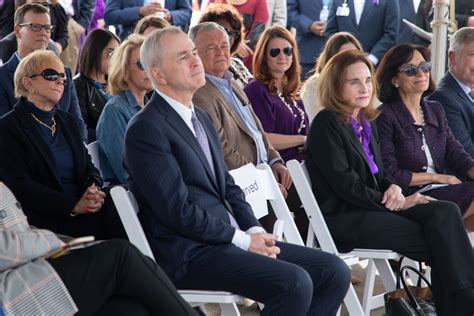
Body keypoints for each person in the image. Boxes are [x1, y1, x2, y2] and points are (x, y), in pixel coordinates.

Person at [123, 26, 351, 315]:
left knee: (333, 271)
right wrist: (244, 239)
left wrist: (255, 230)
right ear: (158, 74)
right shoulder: (146, 129)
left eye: (194, 53)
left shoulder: (200, 117)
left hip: (227, 241)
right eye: (183, 57)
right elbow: (177, 212)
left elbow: (228, 186)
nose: (195, 61)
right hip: (191, 253)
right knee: (294, 283)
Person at [306, 49, 474, 315]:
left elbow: (381, 174)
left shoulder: (362, 119)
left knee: (445, 212)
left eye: (367, 80)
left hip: (374, 206)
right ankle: (463, 305)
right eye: (354, 82)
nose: (364, 87)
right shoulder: (328, 123)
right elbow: (347, 187)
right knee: (439, 238)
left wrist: (394, 188)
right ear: (336, 86)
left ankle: (460, 303)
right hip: (348, 218)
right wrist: (399, 201)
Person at [0, 181, 197, 316]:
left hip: (28, 270)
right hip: (10, 294)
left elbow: (20, 230)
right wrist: (51, 240)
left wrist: (71, 245)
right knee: (121, 256)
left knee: (131, 310)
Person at [0, 50, 124, 240]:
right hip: (46, 219)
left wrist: (93, 189)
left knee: (121, 202)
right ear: (27, 82)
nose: (60, 81)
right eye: (51, 75)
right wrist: (73, 206)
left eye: (63, 77)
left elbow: (89, 166)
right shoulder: (8, 127)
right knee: (120, 231)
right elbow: (19, 186)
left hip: (84, 207)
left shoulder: (67, 121)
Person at [190, 22, 293, 233]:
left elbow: (257, 130)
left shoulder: (234, 84)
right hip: (244, 188)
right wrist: (264, 180)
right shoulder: (199, 93)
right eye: (211, 47)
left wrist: (275, 161)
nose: (220, 52)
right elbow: (222, 150)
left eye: (224, 45)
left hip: (265, 178)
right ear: (194, 53)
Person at [376, 43, 474, 230]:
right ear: (394, 79)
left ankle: (452, 254)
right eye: (411, 70)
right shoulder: (385, 116)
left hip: (444, 191)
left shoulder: (434, 109)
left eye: (425, 67)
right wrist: (439, 178)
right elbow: (390, 172)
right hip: (410, 196)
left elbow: (456, 154)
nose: (421, 74)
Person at [0, 3, 87, 141]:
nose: (43, 32)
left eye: (47, 27)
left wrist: (78, 152)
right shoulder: (2, 76)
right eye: (35, 26)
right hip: (25, 155)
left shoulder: (64, 73)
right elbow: (5, 131)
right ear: (17, 30)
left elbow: (77, 122)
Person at [245, 26, 309, 163]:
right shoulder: (256, 89)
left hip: (303, 164)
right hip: (279, 168)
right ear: (264, 57)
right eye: (275, 52)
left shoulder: (291, 90)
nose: (282, 56)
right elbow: (262, 138)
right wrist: (302, 140)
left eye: (287, 51)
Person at [96, 34, 152, 185]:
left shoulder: (149, 106)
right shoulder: (115, 110)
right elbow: (126, 171)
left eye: (152, 62)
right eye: (142, 64)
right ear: (124, 69)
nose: (150, 69)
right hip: (134, 197)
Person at [429, 27, 474, 157]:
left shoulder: (468, 90)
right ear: (453, 57)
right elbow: (466, 154)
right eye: (473, 55)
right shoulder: (442, 98)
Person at [301, 31, 363, 121]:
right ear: (331, 60)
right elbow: (315, 123)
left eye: (354, 55)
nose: (351, 61)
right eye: (344, 57)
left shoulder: (365, 83)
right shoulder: (314, 86)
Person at [74, 29, 120, 143]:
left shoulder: (118, 84)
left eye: (118, 54)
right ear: (94, 51)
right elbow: (81, 129)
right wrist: (115, 132)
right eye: (110, 53)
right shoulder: (77, 86)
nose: (115, 59)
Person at [325, 0, 399, 66]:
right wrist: (342, 54)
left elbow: (391, 34)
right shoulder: (337, 1)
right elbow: (330, 32)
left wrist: (372, 58)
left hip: (375, 66)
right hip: (342, 64)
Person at [199, 2, 253, 87]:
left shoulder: (236, 64)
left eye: (234, 33)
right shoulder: (198, 71)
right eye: (224, 31)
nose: (229, 38)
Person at [208, 0, 269, 70]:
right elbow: (207, 29)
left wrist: (236, 44)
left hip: (248, 61)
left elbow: (257, 32)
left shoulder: (259, 2)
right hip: (218, 60)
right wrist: (237, 44)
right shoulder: (215, 1)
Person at [104, 0, 192, 40]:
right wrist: (139, 11)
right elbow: (109, 15)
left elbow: (187, 12)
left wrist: (170, 16)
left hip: (168, 41)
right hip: (132, 42)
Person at [286, 0, 327, 80]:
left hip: (335, 52)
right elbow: (290, 12)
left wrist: (331, 24)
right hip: (308, 53)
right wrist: (308, 25)